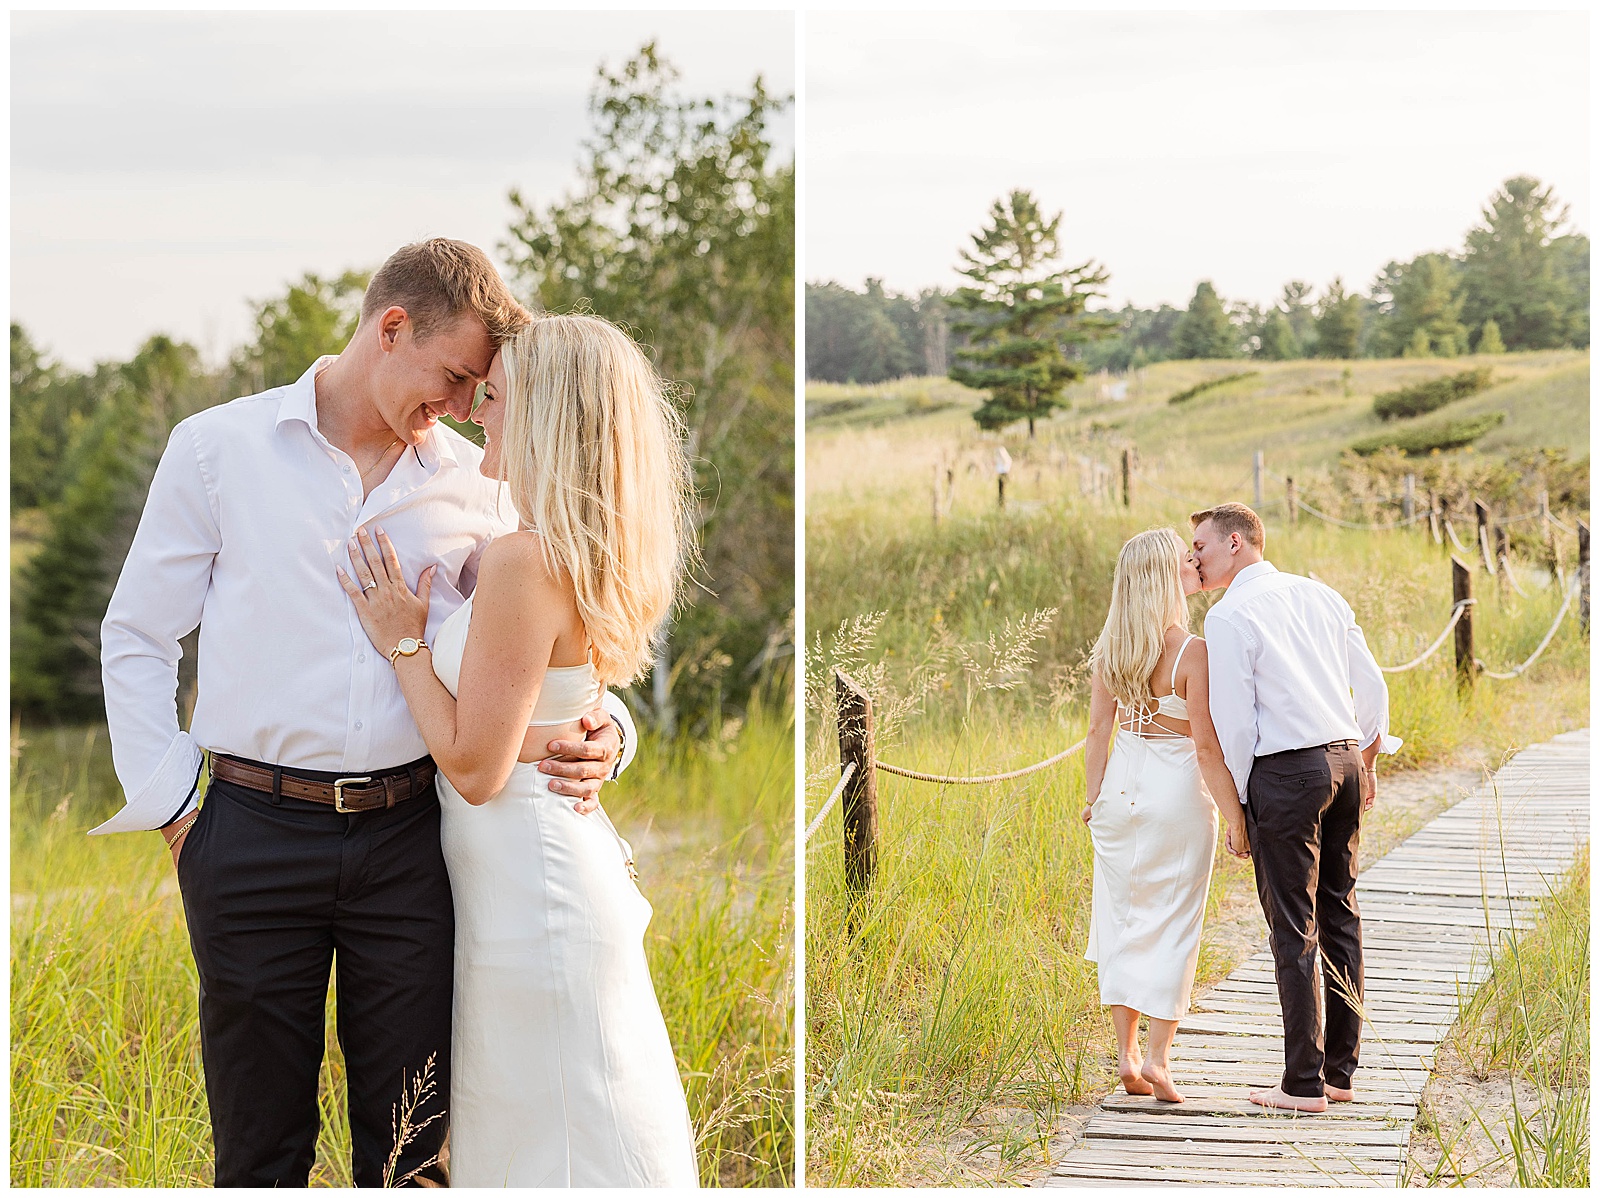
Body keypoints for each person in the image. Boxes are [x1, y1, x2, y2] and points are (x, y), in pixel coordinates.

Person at [97, 240, 633, 1187]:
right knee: (259, 1149)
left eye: (480, 391)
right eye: (457, 376)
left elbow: (551, 645)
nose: (466, 407)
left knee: (410, 1154)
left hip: (413, 846)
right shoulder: (219, 450)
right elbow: (138, 635)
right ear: (392, 328)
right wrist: (179, 809)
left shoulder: (478, 484)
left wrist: (612, 732)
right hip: (248, 836)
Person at [338, 314, 700, 1186]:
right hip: (524, 880)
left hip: (532, 894)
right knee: (565, 1121)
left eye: (494, 396)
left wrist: (405, 644)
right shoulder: (579, 550)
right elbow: (575, 704)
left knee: (561, 1136)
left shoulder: (522, 561)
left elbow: (474, 766)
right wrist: (608, 738)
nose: (476, 412)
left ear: (548, 414)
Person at [1189, 502, 1399, 1114]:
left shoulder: (1229, 617)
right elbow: (1374, 683)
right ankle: (1340, 1073)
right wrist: (1369, 757)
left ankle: (1302, 1086)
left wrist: (1240, 810)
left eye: (1199, 543)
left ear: (1235, 542)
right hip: (1342, 761)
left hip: (1286, 773)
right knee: (1341, 913)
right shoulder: (1320, 594)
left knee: (1293, 925)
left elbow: (1233, 722)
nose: (1193, 555)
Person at [1081, 528, 1248, 1104]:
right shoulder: (1191, 650)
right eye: (1185, 561)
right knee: (1173, 922)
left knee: (1123, 920)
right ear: (1163, 579)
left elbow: (1098, 731)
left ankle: (1125, 1055)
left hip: (1119, 791)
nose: (1193, 566)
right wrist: (1235, 816)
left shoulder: (1111, 649)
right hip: (1175, 792)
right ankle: (1157, 1058)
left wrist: (1092, 796)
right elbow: (1206, 745)